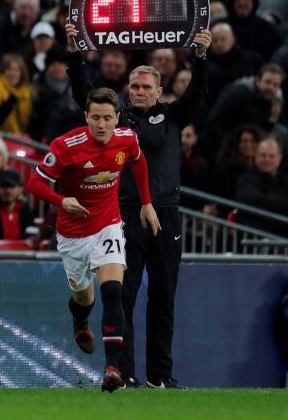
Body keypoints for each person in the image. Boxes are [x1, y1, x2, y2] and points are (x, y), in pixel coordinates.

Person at [65, 23, 211, 388]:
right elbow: (85, 94)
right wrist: (73, 55)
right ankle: (124, 372)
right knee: (123, 296)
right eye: (135, 86)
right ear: (127, 91)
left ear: (160, 91)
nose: (141, 91)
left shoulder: (173, 117)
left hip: (166, 216)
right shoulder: (116, 121)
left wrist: (201, 56)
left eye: (147, 86)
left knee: (163, 297)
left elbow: (198, 91)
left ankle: (160, 376)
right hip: (124, 215)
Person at [26, 87, 160, 392]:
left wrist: (147, 202)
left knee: (113, 291)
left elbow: (138, 161)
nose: (101, 124)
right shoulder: (66, 146)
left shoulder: (127, 138)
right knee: (84, 298)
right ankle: (79, 320)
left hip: (108, 225)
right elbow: (34, 182)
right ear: (86, 117)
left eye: (107, 118)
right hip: (73, 234)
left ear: (117, 119)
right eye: (95, 118)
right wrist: (62, 201)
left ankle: (113, 368)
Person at [235, 138, 288, 235]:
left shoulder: (285, 181)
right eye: (263, 155)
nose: (267, 159)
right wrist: (281, 203)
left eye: (271, 156)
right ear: (255, 157)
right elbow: (248, 200)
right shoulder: (246, 178)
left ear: (279, 159)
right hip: (252, 235)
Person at [0, 169, 33, 242]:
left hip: (21, 252)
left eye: (12, 187)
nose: (8, 191)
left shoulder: (25, 210)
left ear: (20, 189)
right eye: (3, 187)